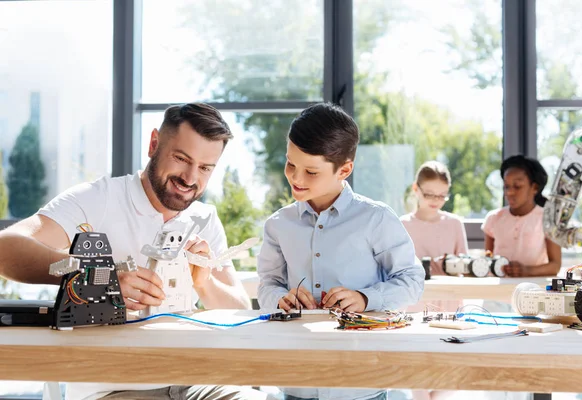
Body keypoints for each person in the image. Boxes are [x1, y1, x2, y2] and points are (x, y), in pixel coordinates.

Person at [0, 103, 270, 400]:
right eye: (181, 159)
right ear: (154, 143)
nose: (191, 179)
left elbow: (240, 310)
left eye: (205, 168)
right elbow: (6, 249)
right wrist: (99, 276)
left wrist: (204, 282)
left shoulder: (204, 219)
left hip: (196, 383)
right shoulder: (98, 199)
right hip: (114, 388)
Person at [257, 102, 425, 400]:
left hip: (361, 382)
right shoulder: (278, 225)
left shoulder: (376, 218)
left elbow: (412, 281)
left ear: (344, 170)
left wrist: (365, 298)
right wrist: (280, 300)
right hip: (298, 381)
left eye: (311, 171)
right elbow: (268, 285)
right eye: (290, 164)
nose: (296, 178)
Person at [482, 155, 561, 277]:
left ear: (534, 187)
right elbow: (487, 259)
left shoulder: (547, 219)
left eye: (517, 186)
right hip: (496, 292)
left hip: (532, 291)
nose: (509, 192)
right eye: (506, 186)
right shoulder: (494, 218)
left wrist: (526, 271)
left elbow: (555, 266)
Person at [400, 160, 468, 276]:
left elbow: (466, 269)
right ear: (416, 188)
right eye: (429, 194)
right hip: (415, 292)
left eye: (442, 196)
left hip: (450, 291)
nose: (436, 200)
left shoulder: (454, 224)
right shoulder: (402, 225)